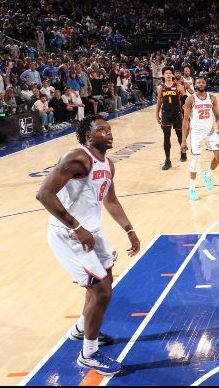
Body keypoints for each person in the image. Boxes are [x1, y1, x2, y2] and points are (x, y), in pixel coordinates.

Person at [35, 115, 141, 376]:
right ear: (88, 137)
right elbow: (44, 194)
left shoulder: (109, 164)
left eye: (109, 128)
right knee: (102, 292)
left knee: (106, 281)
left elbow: (111, 201)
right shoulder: (77, 157)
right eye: (101, 129)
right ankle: (89, 354)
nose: (108, 132)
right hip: (68, 234)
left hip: (91, 231)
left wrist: (130, 230)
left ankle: (82, 328)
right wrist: (75, 227)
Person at [180, 77, 219, 201]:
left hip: (210, 132)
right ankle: (192, 188)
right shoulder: (191, 99)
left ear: (206, 84)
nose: (201, 84)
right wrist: (183, 141)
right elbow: (185, 121)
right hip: (197, 133)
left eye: (203, 82)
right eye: (199, 82)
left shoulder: (212, 98)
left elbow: (218, 116)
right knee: (195, 159)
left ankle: (207, 175)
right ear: (195, 85)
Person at [156, 67, 186, 170]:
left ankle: (183, 152)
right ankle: (167, 160)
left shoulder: (179, 87)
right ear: (163, 75)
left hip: (177, 114)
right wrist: (157, 115)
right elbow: (159, 102)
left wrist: (187, 112)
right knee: (166, 137)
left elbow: (186, 101)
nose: (168, 75)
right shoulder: (160, 87)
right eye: (166, 73)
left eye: (170, 73)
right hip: (166, 115)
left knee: (180, 135)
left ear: (173, 75)